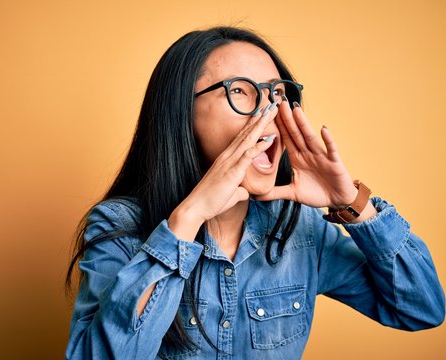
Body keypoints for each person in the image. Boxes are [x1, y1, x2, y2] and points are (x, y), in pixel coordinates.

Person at [64, 26, 445, 360]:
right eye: (241, 92)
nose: (269, 112)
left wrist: (352, 205)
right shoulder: (119, 226)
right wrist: (188, 218)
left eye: (278, 94)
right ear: (181, 112)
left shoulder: (300, 229)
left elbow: (421, 309)